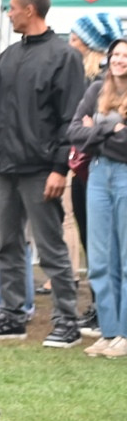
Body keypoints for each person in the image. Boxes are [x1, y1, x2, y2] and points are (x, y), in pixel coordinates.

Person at [0, 0, 85, 346]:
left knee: (50, 248)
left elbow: (70, 117)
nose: (9, 14)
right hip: (5, 164)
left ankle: (67, 319)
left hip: (40, 167)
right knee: (8, 245)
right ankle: (12, 314)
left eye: (13, 8)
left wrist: (58, 168)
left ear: (30, 10)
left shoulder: (64, 57)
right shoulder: (9, 55)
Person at [69, 37, 127, 358]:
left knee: (125, 257)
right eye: (116, 54)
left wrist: (94, 132)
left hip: (124, 174)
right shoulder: (95, 90)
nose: (120, 60)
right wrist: (111, 129)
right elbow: (73, 133)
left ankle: (125, 333)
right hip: (98, 174)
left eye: (125, 55)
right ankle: (108, 331)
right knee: (101, 259)